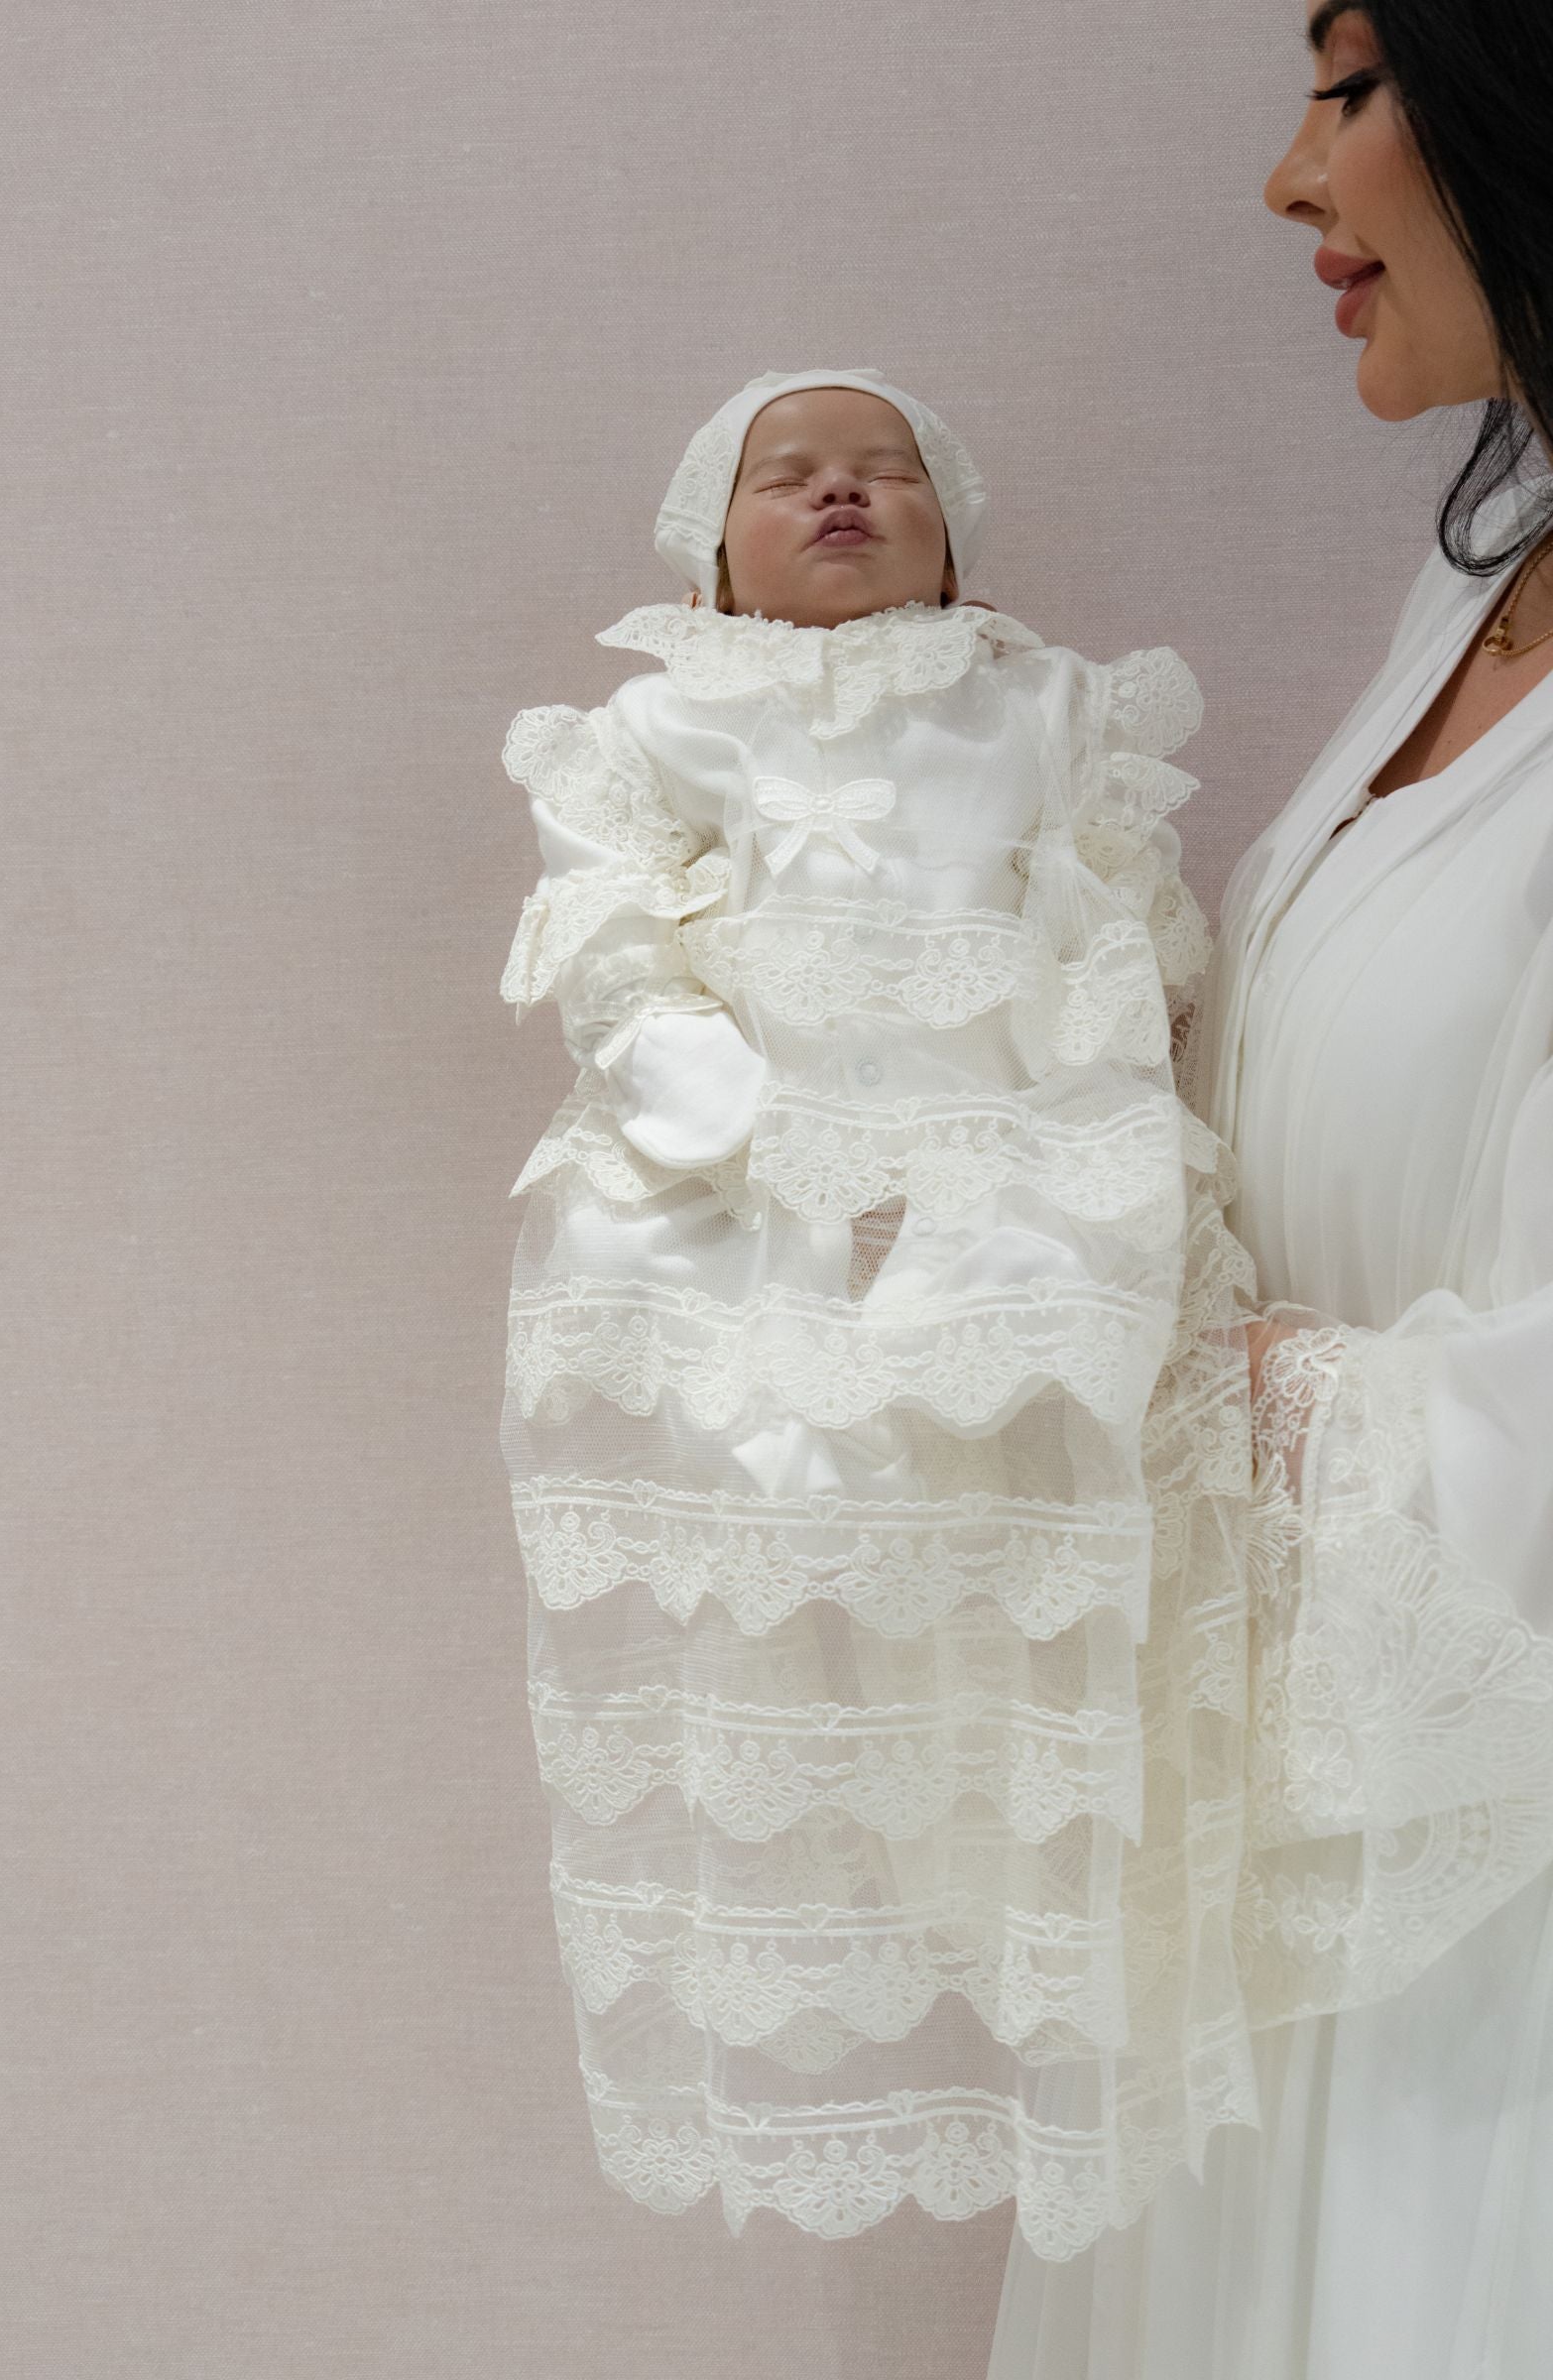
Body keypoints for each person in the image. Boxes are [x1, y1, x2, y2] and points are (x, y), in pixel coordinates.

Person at [497, 367, 1260, 2257]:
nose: (843, 495)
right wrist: (708, 1098)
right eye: (789, 479)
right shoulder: (664, 723)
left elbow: (1119, 927)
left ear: (953, 526)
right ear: (711, 548)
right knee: (734, 1499)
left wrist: (1064, 1115)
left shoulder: (1039, 703)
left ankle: (997, 1838)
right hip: (730, 1172)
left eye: (890, 474)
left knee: (1019, 1512)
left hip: (998, 1161)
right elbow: (606, 925)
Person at [989, 4, 1553, 2372]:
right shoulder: (1479, 591)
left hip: (1487, 1907)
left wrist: (1242, 1407)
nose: (1284, 181)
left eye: (1344, 87)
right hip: (1297, 1846)